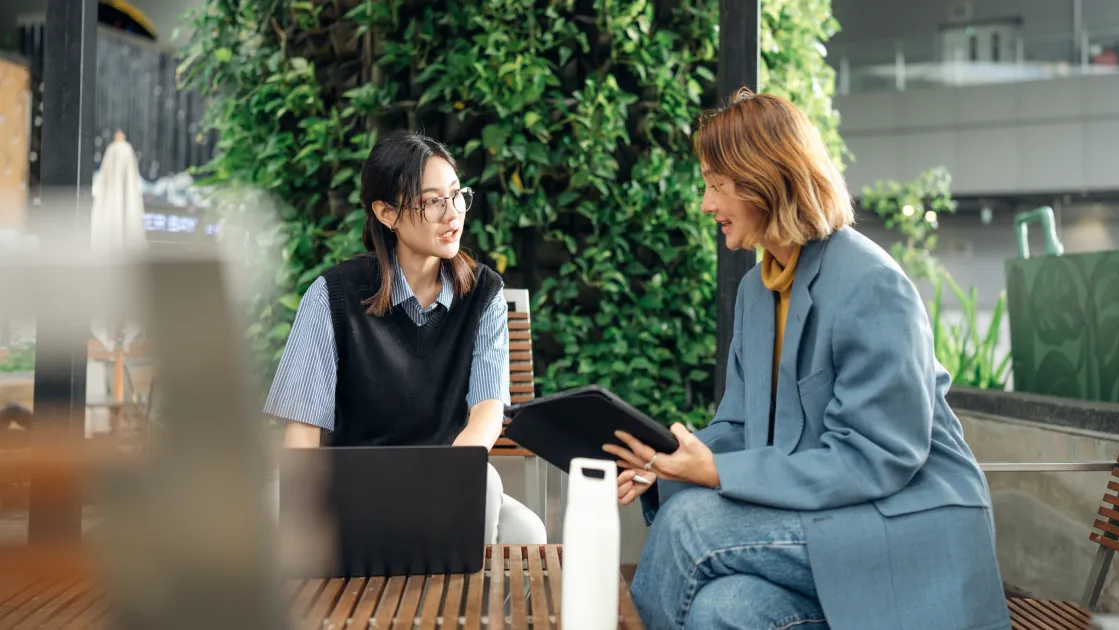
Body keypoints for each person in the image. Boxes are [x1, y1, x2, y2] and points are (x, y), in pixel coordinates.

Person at [604, 89, 1010, 630]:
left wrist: (716, 472)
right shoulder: (757, 290)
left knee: (689, 527)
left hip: (901, 526)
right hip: (829, 520)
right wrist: (664, 464)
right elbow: (739, 426)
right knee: (720, 611)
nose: (706, 204)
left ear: (764, 182)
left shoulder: (871, 283)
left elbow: (878, 455)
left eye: (716, 186)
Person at [264, 130, 546, 545]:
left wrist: (445, 479)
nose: (453, 215)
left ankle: (452, 609)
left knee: (519, 523)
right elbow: (304, 432)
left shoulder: (484, 295)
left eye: (456, 195)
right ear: (386, 213)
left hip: (449, 478)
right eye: (432, 201)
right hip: (355, 487)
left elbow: (486, 413)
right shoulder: (332, 296)